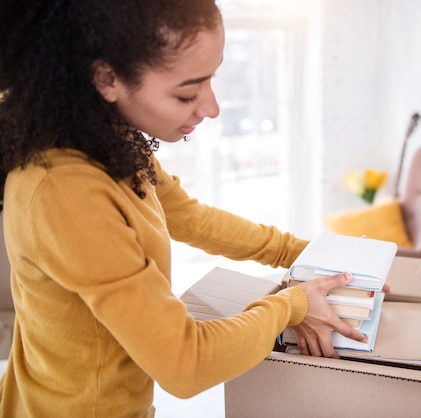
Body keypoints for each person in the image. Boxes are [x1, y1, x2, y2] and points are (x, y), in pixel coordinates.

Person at [0, 1, 373, 416]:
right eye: (187, 93)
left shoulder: (110, 138)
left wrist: (301, 254)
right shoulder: (64, 191)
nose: (211, 107)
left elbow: (189, 218)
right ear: (106, 78)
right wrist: (291, 304)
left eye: (210, 79)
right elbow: (185, 362)